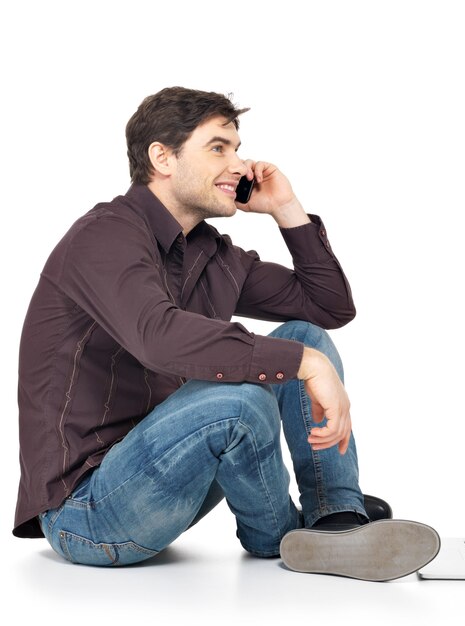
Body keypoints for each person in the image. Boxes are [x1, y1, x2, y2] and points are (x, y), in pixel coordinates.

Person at [13, 87, 439, 581]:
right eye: (218, 148)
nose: (240, 164)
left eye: (237, 148)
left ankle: (335, 520)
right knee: (245, 396)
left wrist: (287, 209)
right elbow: (159, 336)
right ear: (162, 157)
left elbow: (329, 307)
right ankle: (282, 537)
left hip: (167, 475)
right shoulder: (105, 235)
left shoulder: (210, 253)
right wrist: (304, 365)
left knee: (305, 336)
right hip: (87, 512)